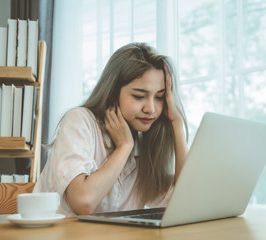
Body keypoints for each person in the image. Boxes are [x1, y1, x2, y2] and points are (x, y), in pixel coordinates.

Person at [33, 42, 188, 217]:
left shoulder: (146, 142)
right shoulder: (79, 121)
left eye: (159, 97)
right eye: (138, 96)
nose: (151, 109)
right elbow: (83, 202)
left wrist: (177, 124)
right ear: (113, 92)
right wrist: (124, 147)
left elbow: (183, 203)